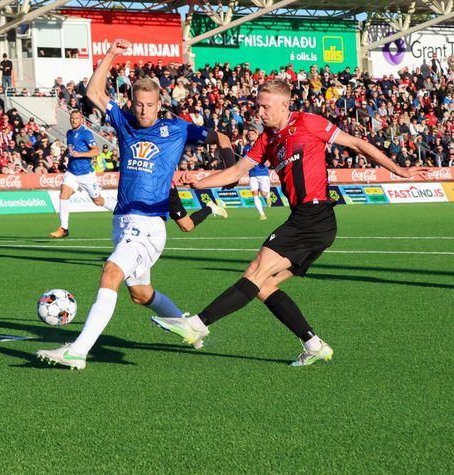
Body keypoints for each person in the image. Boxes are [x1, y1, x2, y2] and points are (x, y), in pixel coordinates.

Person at [151, 79, 430, 366]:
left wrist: (399, 169)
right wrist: (200, 182)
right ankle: (313, 344)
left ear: (285, 104)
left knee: (255, 271)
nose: (259, 112)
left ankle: (197, 323)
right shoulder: (267, 140)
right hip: (308, 220)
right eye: (257, 106)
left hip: (314, 216)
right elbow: (235, 171)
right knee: (263, 286)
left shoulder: (309, 122)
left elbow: (357, 143)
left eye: (264, 106)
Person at [37, 39, 228, 369]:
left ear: (158, 104)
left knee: (110, 272)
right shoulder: (124, 122)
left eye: (149, 104)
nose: (143, 110)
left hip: (150, 223)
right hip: (123, 220)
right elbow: (95, 93)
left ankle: (78, 351)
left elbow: (220, 138)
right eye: (138, 104)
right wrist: (111, 54)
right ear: (133, 102)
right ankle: (192, 331)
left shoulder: (177, 128)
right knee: (141, 294)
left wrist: (227, 170)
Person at [49, 110, 116, 238]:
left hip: (86, 174)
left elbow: (96, 151)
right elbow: (70, 149)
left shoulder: (86, 133)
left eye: (76, 118)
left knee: (97, 200)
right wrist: (63, 157)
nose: (74, 120)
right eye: (72, 118)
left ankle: (118, 210)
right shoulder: (69, 133)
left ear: (81, 120)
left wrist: (80, 155)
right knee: (64, 194)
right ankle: (64, 228)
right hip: (72, 172)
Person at [245, 125, 271, 220]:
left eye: (252, 134)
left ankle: (267, 196)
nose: (250, 136)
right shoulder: (246, 148)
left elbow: (268, 159)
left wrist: (267, 160)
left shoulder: (262, 145)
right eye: (249, 134)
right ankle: (262, 214)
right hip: (252, 174)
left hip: (263, 173)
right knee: (255, 194)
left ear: (257, 135)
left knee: (264, 194)